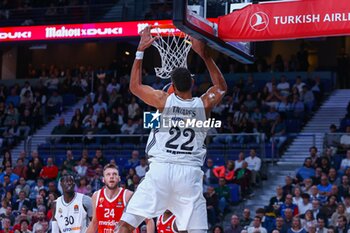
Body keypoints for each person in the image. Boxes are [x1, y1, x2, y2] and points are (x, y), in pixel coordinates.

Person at [119, 26, 227, 233]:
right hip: (189, 173)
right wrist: (204, 55)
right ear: (193, 84)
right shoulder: (203, 104)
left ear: (173, 87)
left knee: (126, 224)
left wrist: (140, 50)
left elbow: (134, 86)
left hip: (161, 169)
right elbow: (221, 87)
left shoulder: (163, 100)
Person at [86, 164, 154, 233]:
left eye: (114, 174)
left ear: (119, 178)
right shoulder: (96, 196)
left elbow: (148, 220)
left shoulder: (128, 195)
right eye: (108, 174)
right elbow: (94, 223)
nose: (111, 176)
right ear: (103, 179)